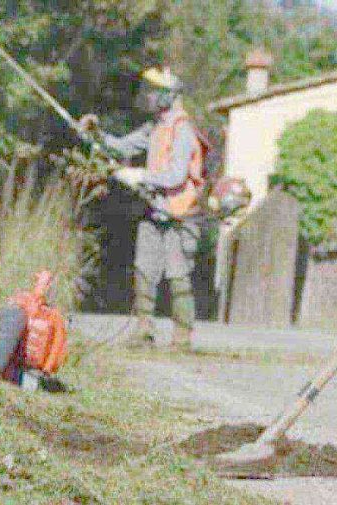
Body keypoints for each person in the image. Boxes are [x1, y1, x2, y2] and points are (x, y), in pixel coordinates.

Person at [81, 66, 206, 351]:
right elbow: (121, 148)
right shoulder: (155, 128)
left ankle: (182, 338)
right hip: (153, 211)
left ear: (169, 95)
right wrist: (96, 133)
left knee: (178, 275)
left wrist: (140, 176)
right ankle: (143, 331)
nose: (148, 96)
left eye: (154, 91)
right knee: (144, 270)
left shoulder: (183, 130)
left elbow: (175, 176)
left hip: (179, 216)